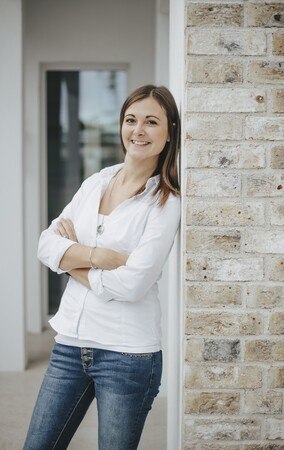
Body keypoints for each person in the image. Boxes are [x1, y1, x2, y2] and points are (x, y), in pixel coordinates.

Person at [23, 84, 181, 450]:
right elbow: (46, 245)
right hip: (69, 346)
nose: (138, 131)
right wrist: (99, 257)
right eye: (131, 120)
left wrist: (71, 259)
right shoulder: (96, 182)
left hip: (127, 356)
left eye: (151, 122)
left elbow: (131, 285)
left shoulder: (165, 202)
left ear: (169, 131)